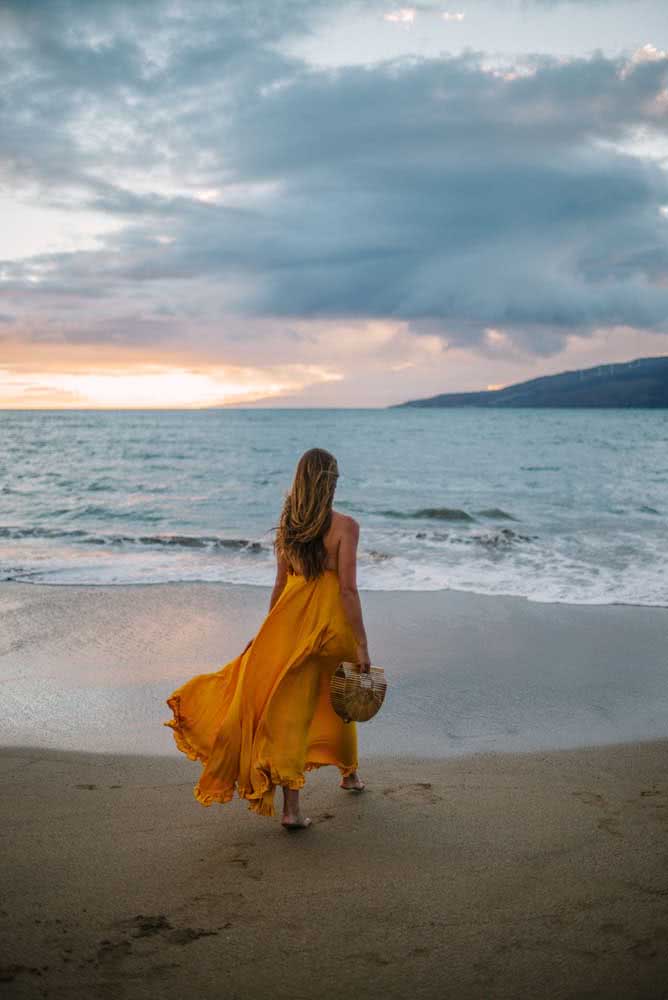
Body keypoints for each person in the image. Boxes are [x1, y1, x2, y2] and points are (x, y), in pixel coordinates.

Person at [164, 447, 371, 831]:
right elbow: (347, 591)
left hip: (289, 626)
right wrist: (362, 644)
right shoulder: (346, 527)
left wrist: (267, 634)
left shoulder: (289, 526)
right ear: (329, 483)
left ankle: (342, 775)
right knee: (336, 695)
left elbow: (280, 585)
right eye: (336, 479)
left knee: (297, 707)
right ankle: (324, 789)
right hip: (328, 628)